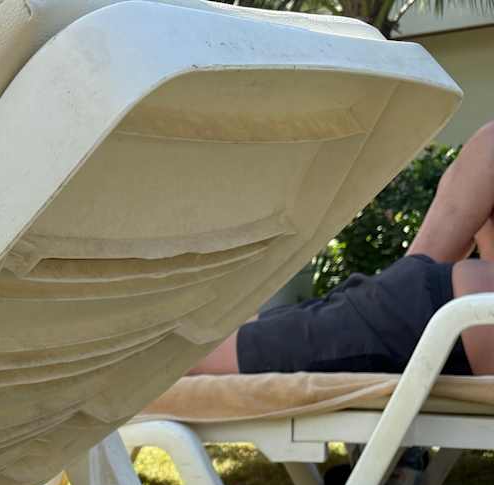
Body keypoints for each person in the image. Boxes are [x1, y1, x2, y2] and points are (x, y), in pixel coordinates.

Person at [190, 121, 494, 378]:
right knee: (231, 340)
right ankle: (389, 289)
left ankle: (391, 288)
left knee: (190, 362)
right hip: (446, 320)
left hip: (436, 318)